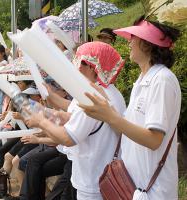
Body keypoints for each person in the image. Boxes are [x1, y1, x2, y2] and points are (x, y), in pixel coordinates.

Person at [80, 16, 181, 199]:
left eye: (134, 38)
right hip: (133, 185)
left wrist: (111, 116)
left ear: (148, 45)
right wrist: (106, 108)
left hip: (153, 190)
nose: (129, 43)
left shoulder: (162, 80)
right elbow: (128, 128)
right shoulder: (143, 80)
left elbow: (154, 139)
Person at [25, 42, 126, 199]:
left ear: (93, 67)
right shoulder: (112, 92)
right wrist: (51, 101)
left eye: (80, 63)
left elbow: (68, 138)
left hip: (92, 179)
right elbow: (77, 114)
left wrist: (41, 121)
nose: (76, 69)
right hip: (102, 174)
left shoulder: (93, 96)